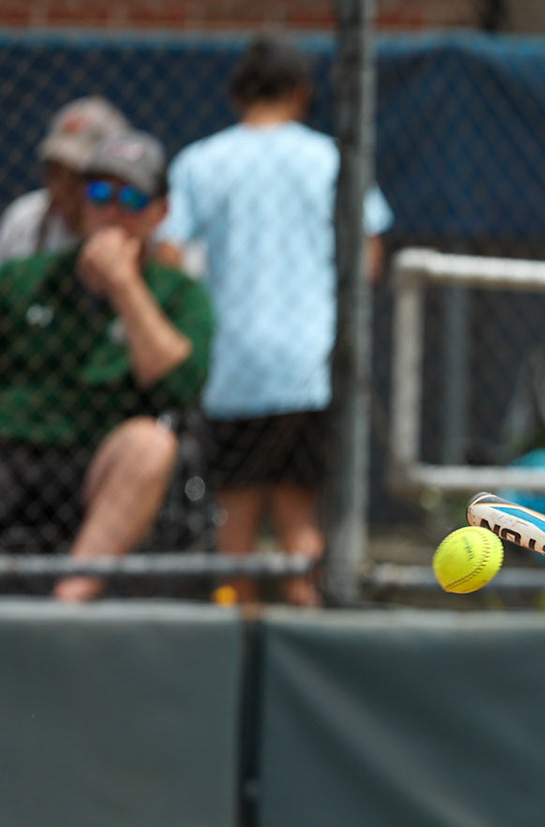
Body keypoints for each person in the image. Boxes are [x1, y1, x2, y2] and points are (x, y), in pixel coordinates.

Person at [156, 35, 394, 606]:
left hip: (229, 367)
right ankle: (304, 638)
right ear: (302, 93)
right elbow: (369, 258)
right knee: (298, 515)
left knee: (233, 517)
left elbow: (169, 257)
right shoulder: (333, 160)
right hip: (309, 364)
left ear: (238, 94)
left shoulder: (200, 161)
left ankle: (230, 644)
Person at [0, 131, 212, 601]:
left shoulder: (179, 294)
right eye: (99, 194)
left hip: (99, 464)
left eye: (131, 198)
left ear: (159, 213)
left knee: (150, 444)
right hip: (13, 451)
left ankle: (66, 604)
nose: (112, 211)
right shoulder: (22, 280)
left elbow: (180, 384)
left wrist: (124, 286)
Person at [0, 96, 128, 264]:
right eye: (55, 170)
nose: (60, 186)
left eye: (75, 175)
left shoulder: (132, 224)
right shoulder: (25, 217)